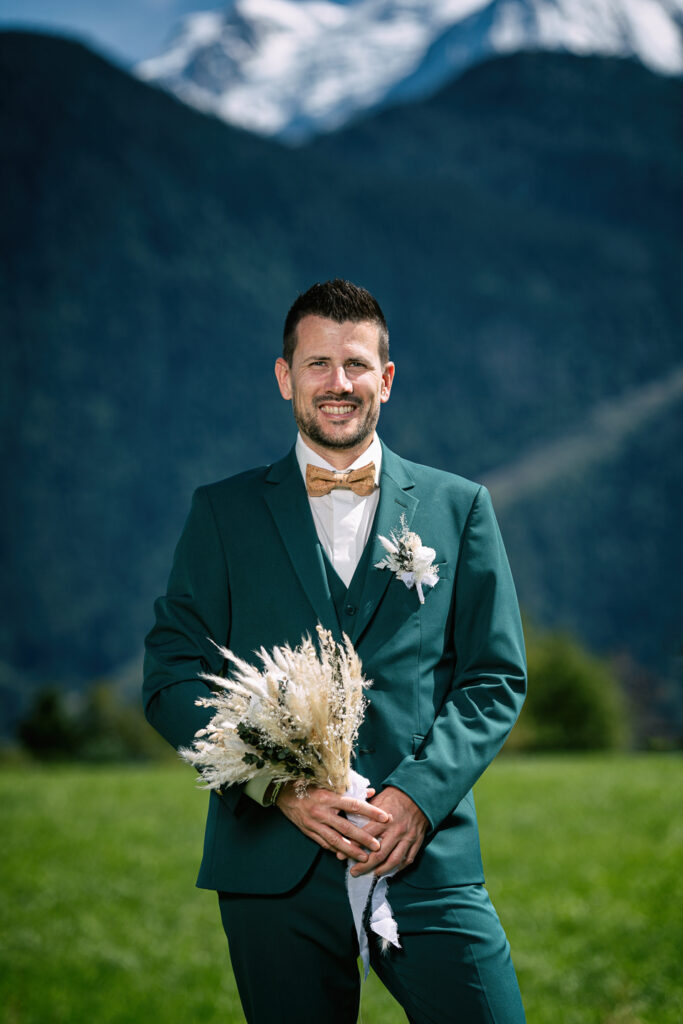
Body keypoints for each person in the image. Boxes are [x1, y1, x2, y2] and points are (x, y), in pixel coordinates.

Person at [143, 279, 527, 1023]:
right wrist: (278, 787)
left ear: (385, 378)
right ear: (285, 377)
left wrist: (417, 796)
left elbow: (492, 676)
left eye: (355, 364)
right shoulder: (221, 514)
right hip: (270, 861)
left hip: (422, 854)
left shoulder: (459, 506)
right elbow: (169, 677)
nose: (338, 384)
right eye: (317, 364)